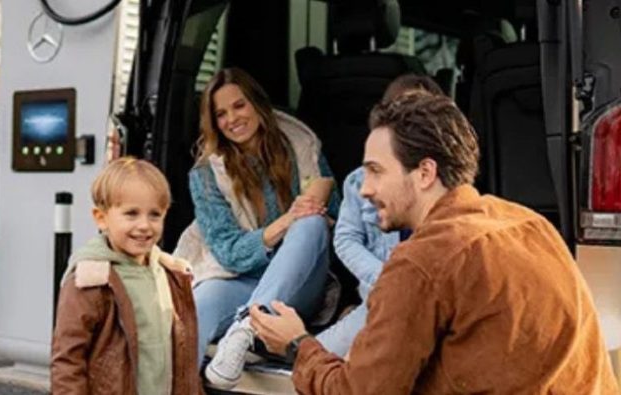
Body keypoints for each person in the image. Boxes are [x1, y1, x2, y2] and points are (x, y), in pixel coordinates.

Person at [249, 92, 620, 394]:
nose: (364, 188)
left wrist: (298, 345)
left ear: (425, 173)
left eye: (376, 171)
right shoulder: (529, 224)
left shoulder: (421, 263)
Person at [175, 68, 339, 388]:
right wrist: (284, 222)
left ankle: (246, 327)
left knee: (312, 224)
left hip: (299, 286)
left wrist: (318, 204)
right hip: (240, 279)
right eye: (220, 114)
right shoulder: (206, 174)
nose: (232, 119)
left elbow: (333, 222)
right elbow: (228, 252)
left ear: (257, 104)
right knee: (197, 307)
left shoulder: (301, 147)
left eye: (239, 105)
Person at [315, 74, 445, 357]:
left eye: (419, 113)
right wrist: (386, 279)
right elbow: (346, 239)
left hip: (423, 305)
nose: (408, 122)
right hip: (378, 297)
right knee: (317, 356)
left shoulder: (448, 184)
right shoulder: (358, 181)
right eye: (399, 111)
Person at [50, 157, 203, 395]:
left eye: (154, 215)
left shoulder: (169, 274)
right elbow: (68, 361)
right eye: (131, 214)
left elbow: (184, 359)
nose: (144, 225)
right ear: (101, 218)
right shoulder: (92, 280)